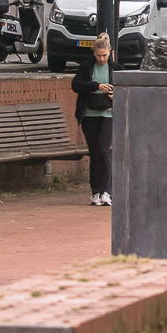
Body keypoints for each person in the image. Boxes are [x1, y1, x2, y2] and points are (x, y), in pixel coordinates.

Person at [72, 33, 116, 206]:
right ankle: (96, 191)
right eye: (98, 55)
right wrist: (96, 86)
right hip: (89, 114)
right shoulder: (86, 67)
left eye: (104, 55)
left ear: (110, 52)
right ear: (94, 53)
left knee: (105, 150)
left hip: (108, 114)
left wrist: (115, 93)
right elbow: (76, 85)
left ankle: (107, 191)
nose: (102, 58)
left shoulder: (116, 68)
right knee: (95, 152)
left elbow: (126, 87)